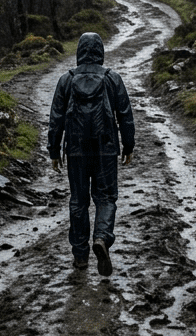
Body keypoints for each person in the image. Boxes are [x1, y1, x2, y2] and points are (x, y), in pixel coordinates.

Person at [48, 32, 135, 275]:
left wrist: (54, 150)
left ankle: (80, 257)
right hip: (105, 149)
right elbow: (125, 115)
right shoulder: (112, 78)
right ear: (100, 51)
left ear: (79, 51)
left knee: (78, 201)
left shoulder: (66, 80)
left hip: (75, 150)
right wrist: (128, 146)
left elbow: (56, 118)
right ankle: (102, 238)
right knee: (106, 197)